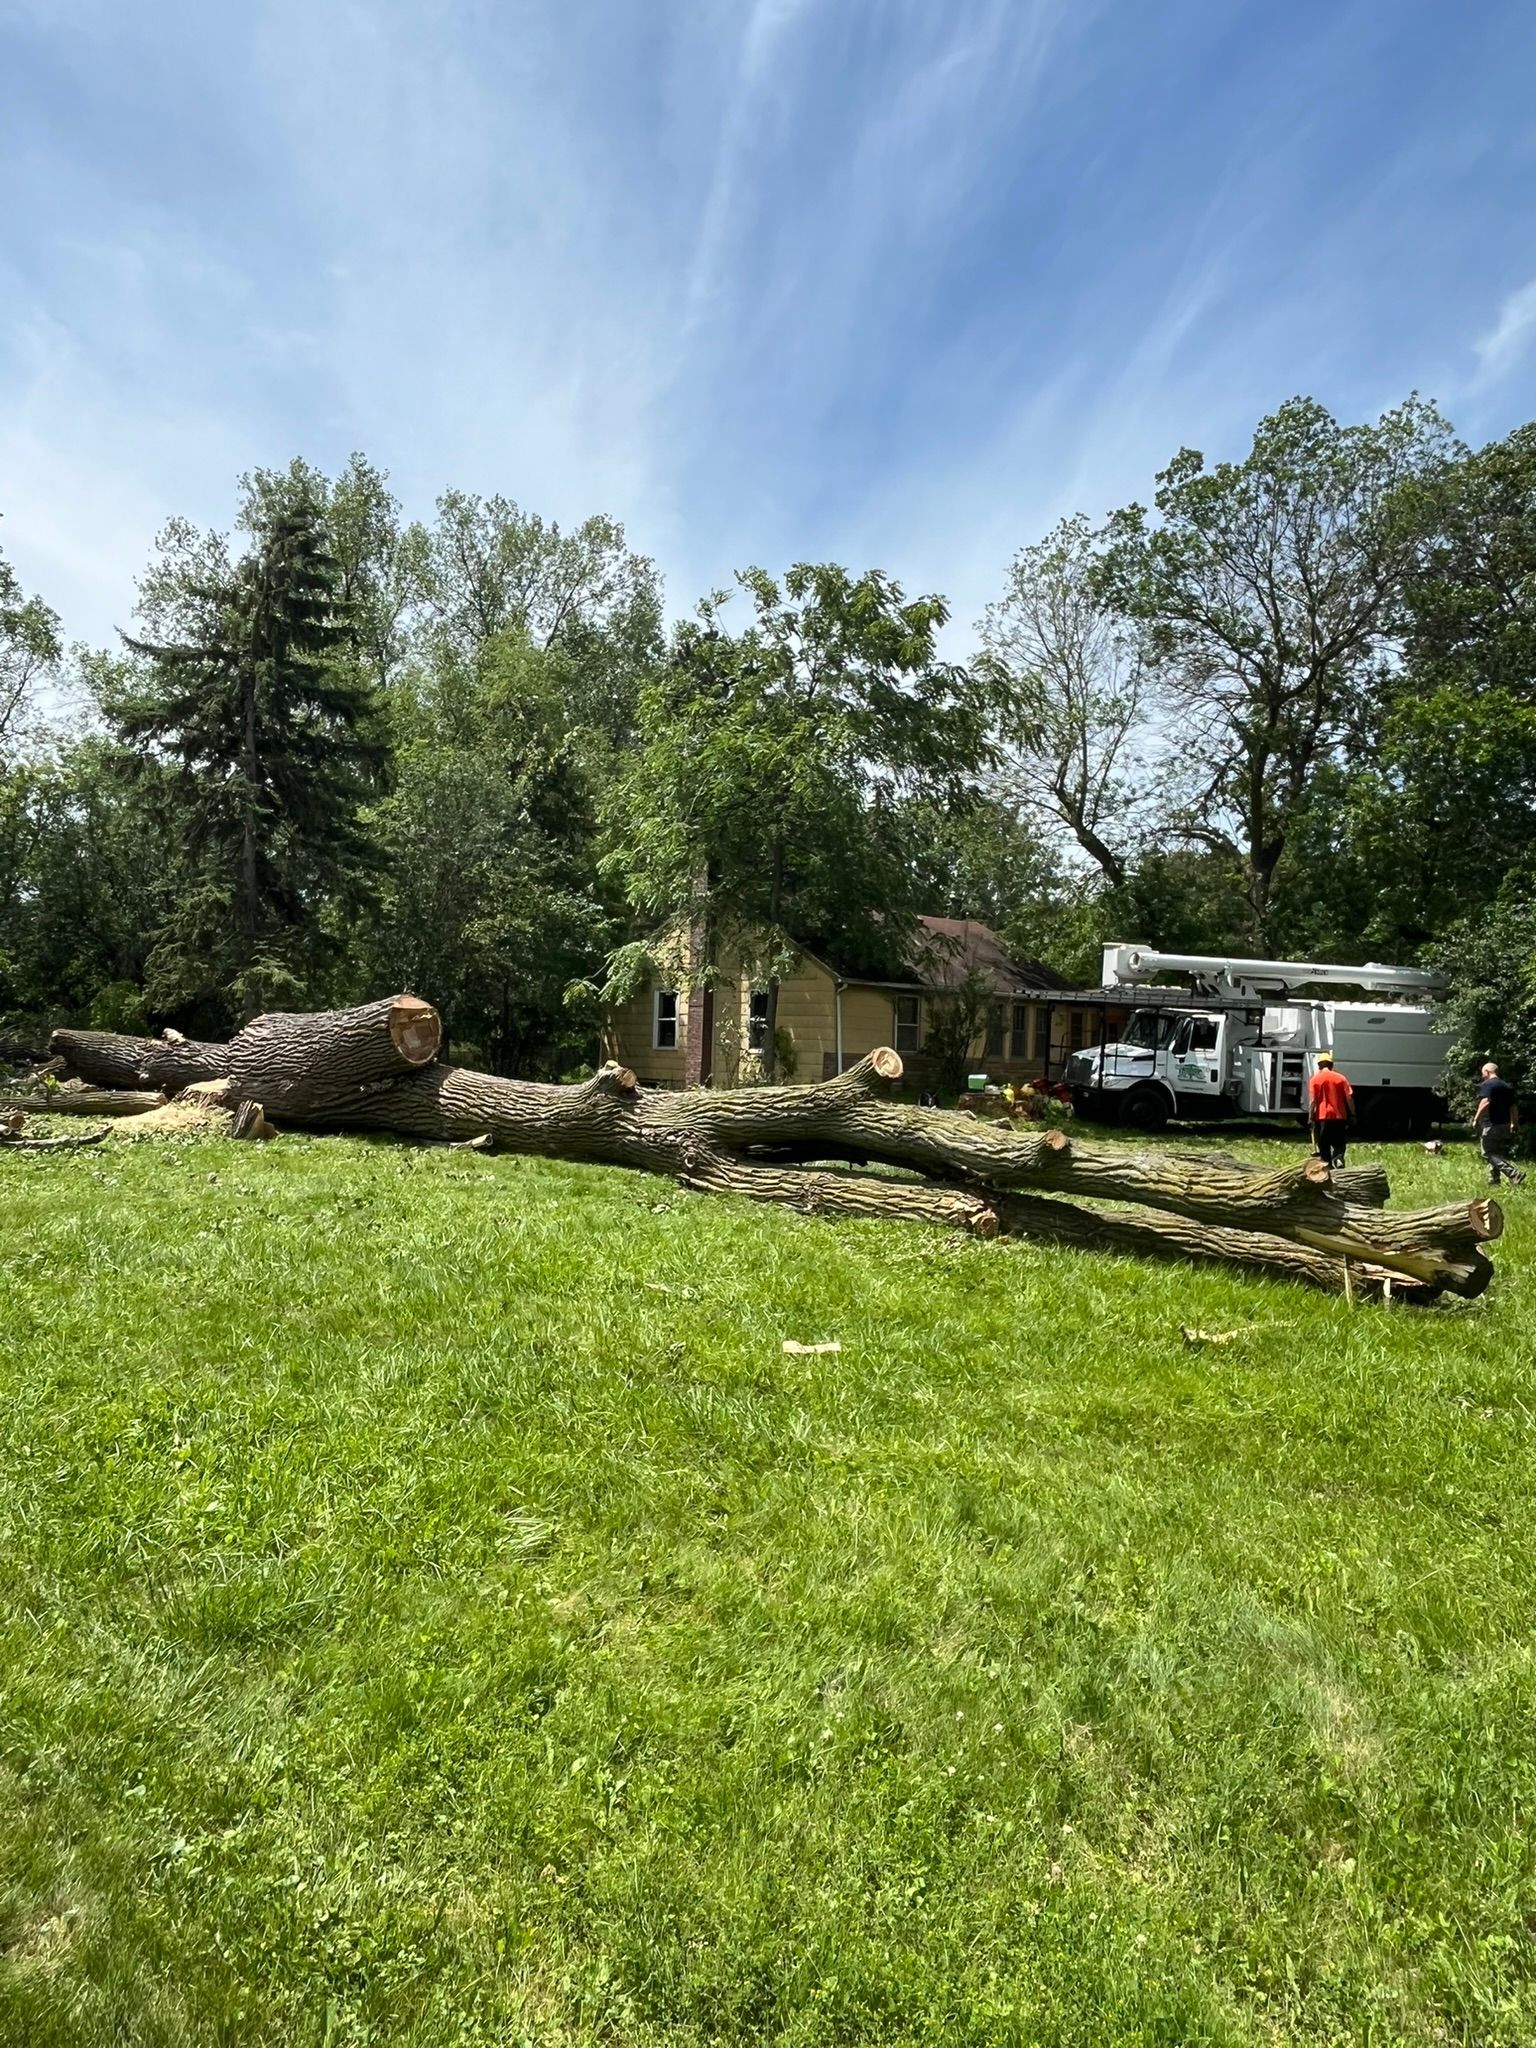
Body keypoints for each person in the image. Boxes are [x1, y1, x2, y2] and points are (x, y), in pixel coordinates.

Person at [1472, 1061, 1525, 1186]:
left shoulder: (1488, 1085)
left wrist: (1476, 1118)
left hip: (1491, 1124)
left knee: (1487, 1153)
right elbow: (1513, 1107)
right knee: (1496, 1152)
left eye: (1482, 1073)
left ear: (1487, 1072)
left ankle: (1514, 1173)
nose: (1482, 1076)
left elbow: (1485, 1102)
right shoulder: (1507, 1086)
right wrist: (1514, 1123)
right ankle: (1494, 1180)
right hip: (1504, 1124)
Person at [1308, 1050, 1354, 1170]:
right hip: (1340, 1117)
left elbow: (1313, 1101)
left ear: (1319, 1066)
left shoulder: (1314, 1080)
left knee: (1324, 1144)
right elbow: (1349, 1098)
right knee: (1339, 1142)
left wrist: (1310, 1117)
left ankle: (1327, 1165)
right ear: (1331, 1065)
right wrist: (1353, 1114)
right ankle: (1338, 1158)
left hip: (1322, 1117)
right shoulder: (1341, 1078)